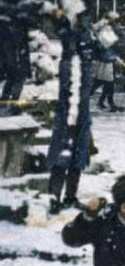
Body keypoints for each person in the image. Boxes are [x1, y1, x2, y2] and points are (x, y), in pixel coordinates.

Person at [46, 14, 98, 214]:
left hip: (81, 115)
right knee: (63, 156)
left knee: (77, 156)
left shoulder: (82, 61)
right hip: (69, 116)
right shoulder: (69, 63)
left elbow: (105, 53)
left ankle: (69, 196)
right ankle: (55, 198)